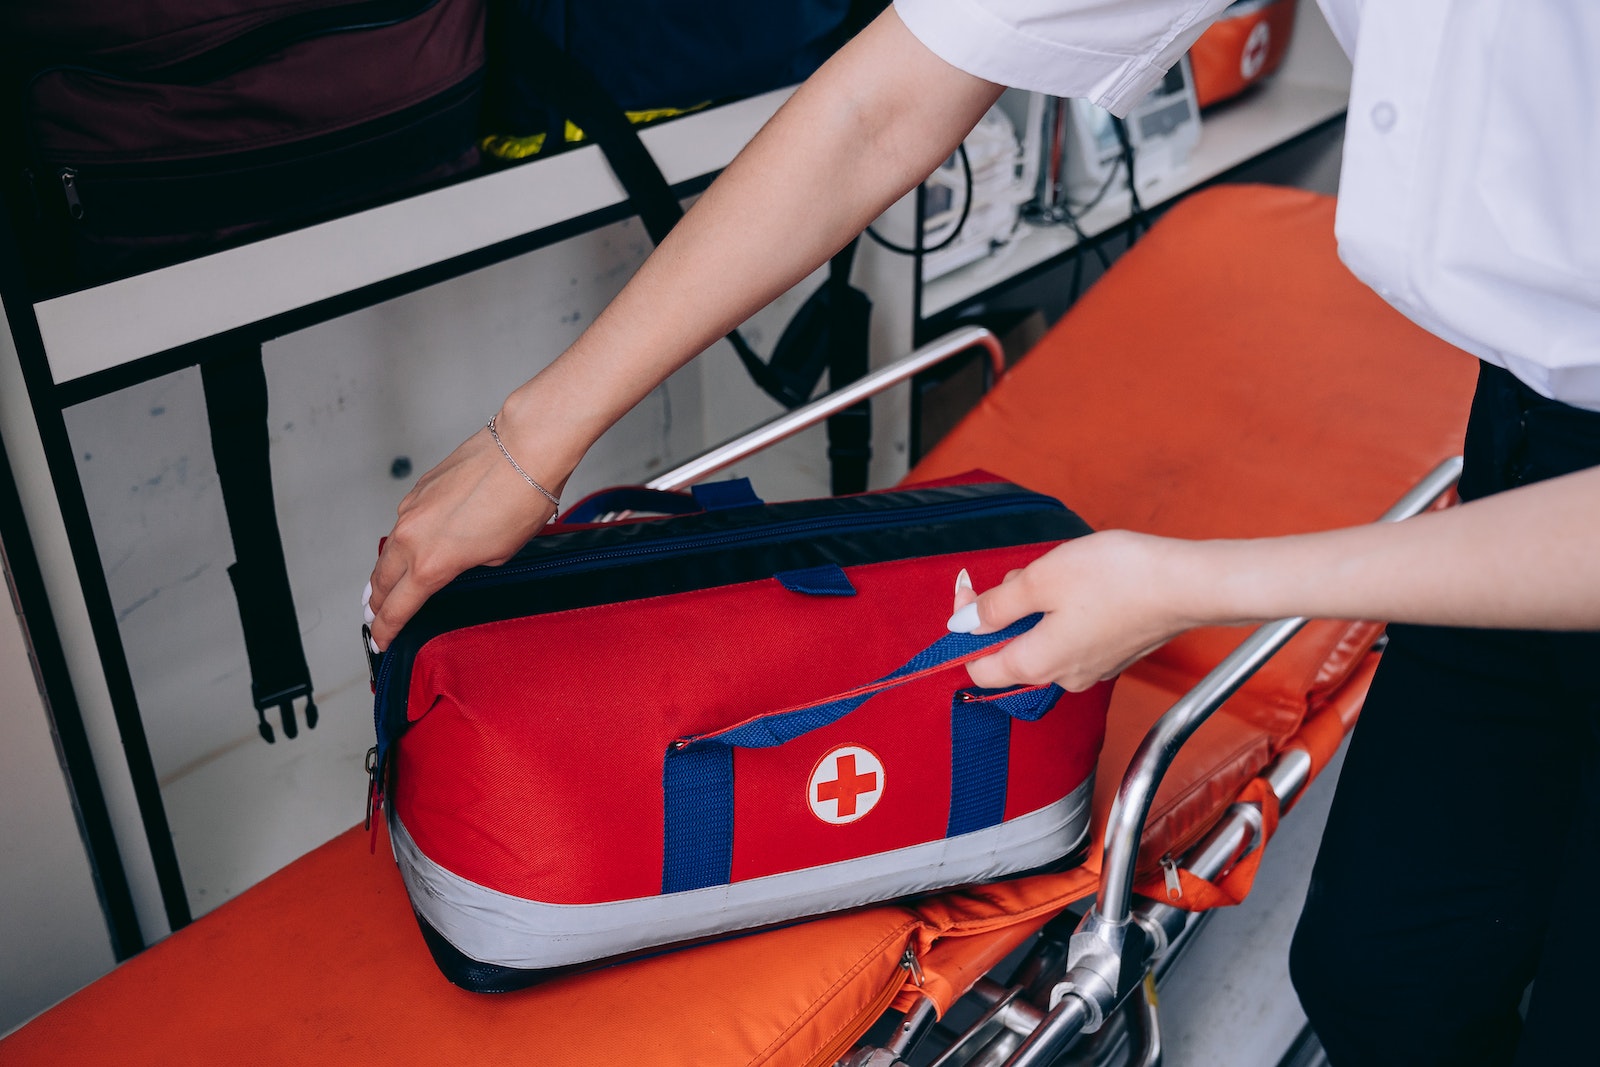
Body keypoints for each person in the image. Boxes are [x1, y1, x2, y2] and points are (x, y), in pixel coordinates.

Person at [366, 3, 1600, 1063]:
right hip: (1530, 425)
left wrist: (1185, 582)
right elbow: (895, 93)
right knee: (1382, 977)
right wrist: (532, 439)